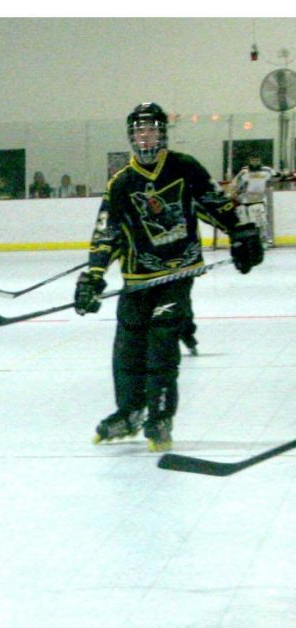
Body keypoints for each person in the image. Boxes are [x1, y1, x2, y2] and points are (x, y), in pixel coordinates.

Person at [76, 103, 263, 452]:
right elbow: (108, 233)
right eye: (138, 130)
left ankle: (160, 416)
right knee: (128, 349)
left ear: (162, 133)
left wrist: (239, 232)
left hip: (177, 273)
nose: (144, 136)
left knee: (162, 346)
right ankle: (130, 411)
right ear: (131, 136)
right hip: (138, 278)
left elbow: (213, 204)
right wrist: (93, 274)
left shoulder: (184, 167)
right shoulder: (121, 182)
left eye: (151, 129)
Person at [234, 155, 276, 247]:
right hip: (244, 203)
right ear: (249, 161)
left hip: (259, 201)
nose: (255, 162)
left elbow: (275, 179)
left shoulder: (267, 171)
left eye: (257, 160)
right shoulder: (244, 172)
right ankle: (248, 242)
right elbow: (237, 186)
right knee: (247, 224)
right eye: (253, 160)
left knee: (261, 222)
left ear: (260, 160)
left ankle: (263, 241)